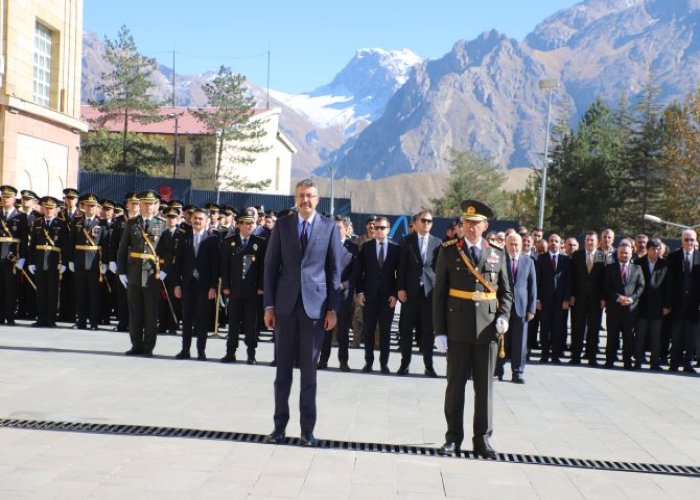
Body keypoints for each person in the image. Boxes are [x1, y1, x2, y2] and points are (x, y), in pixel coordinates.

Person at [263, 179, 341, 448]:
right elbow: (271, 267)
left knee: (309, 373)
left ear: (317, 199)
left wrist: (333, 308)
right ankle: (278, 427)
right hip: (285, 307)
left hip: (315, 309)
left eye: (309, 196)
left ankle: (307, 430)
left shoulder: (329, 227)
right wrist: (269, 306)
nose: (305, 200)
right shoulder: (283, 226)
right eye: (300, 196)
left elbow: (334, 271)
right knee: (282, 371)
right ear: (295, 198)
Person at [434, 199, 512, 459]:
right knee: (455, 386)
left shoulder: (498, 252)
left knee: (485, 388)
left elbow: (506, 292)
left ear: (485, 226)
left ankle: (483, 440)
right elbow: (439, 294)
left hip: (488, 330)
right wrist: (439, 331)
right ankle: (453, 438)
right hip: (457, 328)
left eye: (475, 223)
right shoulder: (448, 251)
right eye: (466, 222)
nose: (470, 227)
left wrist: (504, 316)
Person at [117, 190, 168, 357]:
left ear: (155, 206)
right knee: (135, 312)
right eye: (145, 203)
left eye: (151, 203)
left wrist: (165, 271)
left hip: (153, 274)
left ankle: (148, 348)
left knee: (151, 313)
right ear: (140, 204)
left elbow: (168, 251)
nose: (148, 206)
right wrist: (122, 271)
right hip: (134, 272)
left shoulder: (162, 224)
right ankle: (136, 345)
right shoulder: (132, 223)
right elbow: (123, 249)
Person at [396, 209, 442, 377]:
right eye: (423, 220)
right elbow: (401, 268)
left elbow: (440, 269)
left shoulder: (438, 243)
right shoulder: (406, 241)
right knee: (406, 331)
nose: (426, 224)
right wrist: (400, 288)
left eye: (429, 221)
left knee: (428, 332)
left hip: (429, 294)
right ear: (416, 223)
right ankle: (404, 364)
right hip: (409, 293)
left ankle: (429, 366)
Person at [220, 208, 266, 364]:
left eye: (252, 223)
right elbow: (224, 267)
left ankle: (251, 354)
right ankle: (230, 352)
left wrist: (261, 286)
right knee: (232, 323)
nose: (250, 226)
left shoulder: (259, 243)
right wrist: (225, 285)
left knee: (251, 324)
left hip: (252, 290)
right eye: (247, 223)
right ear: (239, 224)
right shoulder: (229, 242)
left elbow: (262, 268)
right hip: (235, 289)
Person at [173, 207, 220, 361]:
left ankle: (201, 351)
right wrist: (177, 285)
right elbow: (177, 264)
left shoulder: (212, 239)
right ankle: (185, 350)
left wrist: (213, 287)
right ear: (190, 220)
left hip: (204, 286)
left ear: (207, 221)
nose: (197, 221)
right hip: (187, 284)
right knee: (186, 318)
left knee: (202, 319)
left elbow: (215, 266)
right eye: (195, 218)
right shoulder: (184, 237)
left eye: (201, 219)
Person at [356, 215, 400, 374]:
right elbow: (359, 272)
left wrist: (395, 294)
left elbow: (399, 274)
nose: (379, 230)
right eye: (376, 228)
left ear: (388, 229)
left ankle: (384, 363)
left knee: (385, 331)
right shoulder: (366, 247)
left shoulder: (396, 248)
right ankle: (368, 362)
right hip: (369, 296)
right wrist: (359, 292)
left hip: (388, 298)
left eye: (383, 228)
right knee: (368, 330)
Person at [495, 232, 536, 383]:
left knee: (520, 342)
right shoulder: (500, 260)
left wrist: (531, 308)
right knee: (501, 338)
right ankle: (497, 369)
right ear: (506, 245)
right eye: (511, 244)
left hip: (521, 307)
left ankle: (517, 372)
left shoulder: (528, 261)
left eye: (516, 244)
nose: (514, 247)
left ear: (521, 245)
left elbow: (532, 287)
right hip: (503, 307)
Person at [318, 215, 358, 371]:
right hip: (325, 294)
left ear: (347, 229)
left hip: (342, 294)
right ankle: (323, 360)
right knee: (325, 329)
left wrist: (345, 284)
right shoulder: (324, 246)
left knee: (343, 330)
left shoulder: (352, 248)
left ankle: (343, 361)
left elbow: (356, 272)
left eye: (338, 228)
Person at [26, 196, 68, 328]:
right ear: (43, 208)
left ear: (55, 209)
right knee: (41, 291)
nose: (49, 210)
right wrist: (31, 261)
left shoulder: (61, 224)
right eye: (46, 208)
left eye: (51, 208)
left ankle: (51, 319)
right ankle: (41, 318)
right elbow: (32, 244)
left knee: (53, 292)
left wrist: (64, 262)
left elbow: (65, 246)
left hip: (54, 261)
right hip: (39, 260)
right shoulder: (37, 222)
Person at [603, 239, 645, 369]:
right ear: (617, 254)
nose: (623, 255)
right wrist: (617, 297)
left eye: (626, 253)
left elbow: (641, 286)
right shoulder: (610, 268)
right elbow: (606, 286)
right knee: (612, 336)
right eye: (621, 253)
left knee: (628, 337)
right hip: (614, 308)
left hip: (630, 309)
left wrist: (631, 299)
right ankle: (609, 361)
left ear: (631, 253)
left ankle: (627, 362)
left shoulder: (637, 268)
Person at [69, 193, 108, 331]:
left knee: (94, 294)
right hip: (79, 260)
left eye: (93, 206)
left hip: (94, 262)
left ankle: (94, 322)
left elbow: (106, 245)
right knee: (80, 293)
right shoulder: (77, 221)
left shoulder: (102, 223)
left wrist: (105, 262)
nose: (90, 208)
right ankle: (81, 321)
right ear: (83, 206)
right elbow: (71, 242)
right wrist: (70, 260)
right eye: (88, 205)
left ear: (97, 207)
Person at [569, 231, 606, 366]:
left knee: (593, 329)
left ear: (597, 242)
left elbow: (604, 280)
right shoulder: (577, 255)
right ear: (584, 241)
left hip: (596, 300)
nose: (590, 242)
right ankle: (575, 357)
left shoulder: (602, 256)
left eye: (592, 240)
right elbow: (571, 277)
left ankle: (592, 357)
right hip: (578, 298)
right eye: (588, 240)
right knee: (577, 328)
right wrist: (571, 295)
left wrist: (603, 298)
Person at [666, 229, 700, 373]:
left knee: (690, 337)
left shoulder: (699, 257)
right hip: (677, 303)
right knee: (676, 335)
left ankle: (688, 364)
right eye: (687, 240)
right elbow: (668, 282)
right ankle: (673, 363)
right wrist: (667, 304)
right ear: (682, 241)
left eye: (692, 239)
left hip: (694, 304)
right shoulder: (673, 257)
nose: (689, 242)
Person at [635, 238, 669, 371]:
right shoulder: (638, 263)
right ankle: (637, 361)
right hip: (641, 306)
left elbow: (668, 287)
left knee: (656, 337)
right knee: (640, 336)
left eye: (658, 248)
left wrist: (667, 305)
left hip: (658, 307)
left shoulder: (664, 265)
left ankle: (654, 363)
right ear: (648, 249)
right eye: (653, 248)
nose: (656, 251)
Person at [536, 233, 570, 363]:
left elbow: (569, 281)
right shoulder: (542, 258)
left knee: (558, 328)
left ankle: (555, 355)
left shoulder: (565, 260)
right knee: (544, 328)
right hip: (545, 301)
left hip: (560, 301)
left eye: (556, 241)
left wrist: (567, 299)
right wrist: (537, 299)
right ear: (548, 243)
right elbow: (537, 280)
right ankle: (544, 355)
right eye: (551, 241)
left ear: (561, 243)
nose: (553, 243)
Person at [0, 185, 29, 325]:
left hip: (12, 258)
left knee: (11, 289)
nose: (5, 199)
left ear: (14, 199)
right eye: (3, 197)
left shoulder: (21, 216)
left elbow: (24, 239)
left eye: (8, 197)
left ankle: (10, 316)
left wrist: (22, 257)